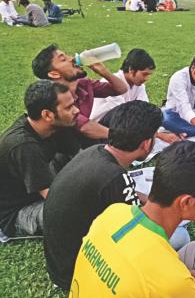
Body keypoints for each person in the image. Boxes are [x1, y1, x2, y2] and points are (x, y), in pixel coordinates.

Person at [69, 141, 195, 297]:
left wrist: (193, 274)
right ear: (187, 202)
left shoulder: (113, 212)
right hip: (166, 283)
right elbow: (163, 282)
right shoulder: (173, 282)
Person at [43, 101, 167, 290]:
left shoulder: (95, 152)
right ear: (146, 143)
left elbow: (122, 194)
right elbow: (142, 230)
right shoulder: (115, 178)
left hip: (59, 263)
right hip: (80, 272)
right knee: (177, 236)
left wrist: (149, 199)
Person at [0, 81, 79, 238]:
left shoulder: (57, 125)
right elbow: (53, 199)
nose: (76, 110)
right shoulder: (23, 145)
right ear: (47, 115)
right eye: (68, 107)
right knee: (74, 215)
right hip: (16, 212)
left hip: (37, 184)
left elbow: (80, 157)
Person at [32, 44, 129, 145]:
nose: (72, 59)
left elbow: (121, 89)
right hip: (65, 150)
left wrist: (104, 71)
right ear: (54, 74)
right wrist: (122, 137)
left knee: (127, 110)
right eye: (63, 59)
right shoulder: (54, 98)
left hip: (83, 139)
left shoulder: (83, 84)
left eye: (68, 55)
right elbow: (85, 128)